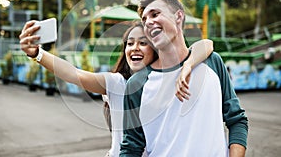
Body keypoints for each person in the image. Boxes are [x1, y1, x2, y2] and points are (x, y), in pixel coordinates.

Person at [19, 21, 213, 157]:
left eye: (143, 43)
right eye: (130, 43)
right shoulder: (118, 84)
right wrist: (37, 54)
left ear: (157, 50)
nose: (134, 48)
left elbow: (206, 44)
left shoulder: (171, 81)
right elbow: (74, 74)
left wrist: (187, 65)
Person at [120, 0, 248, 157]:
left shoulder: (212, 63)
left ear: (178, 16)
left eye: (155, 14)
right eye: (144, 20)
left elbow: (237, 120)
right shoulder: (137, 83)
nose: (149, 22)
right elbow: (131, 148)